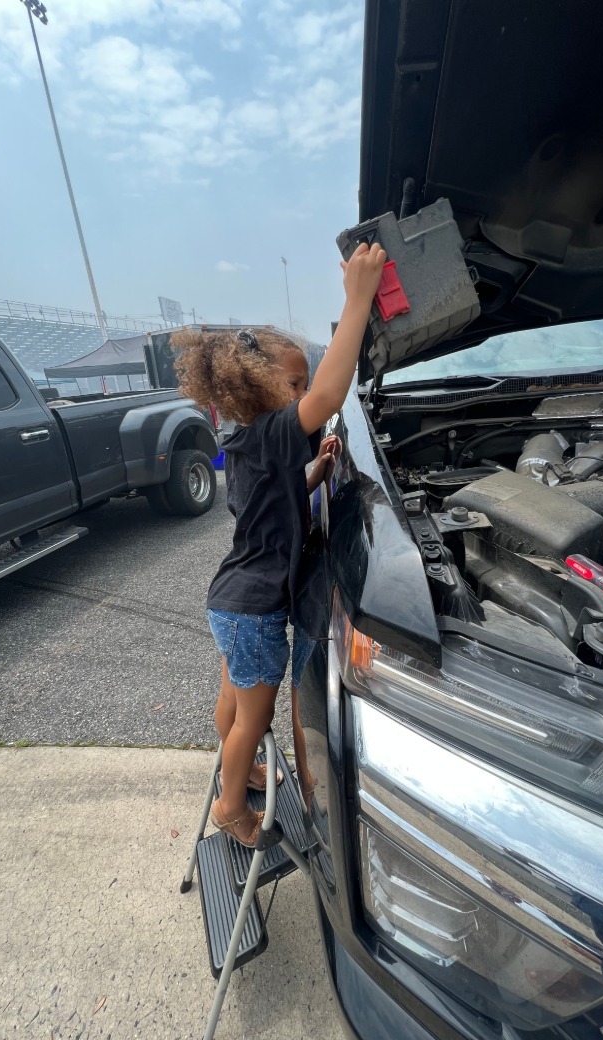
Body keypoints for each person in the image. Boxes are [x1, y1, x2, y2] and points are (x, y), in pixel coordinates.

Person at [173, 241, 387, 846]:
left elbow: (278, 496)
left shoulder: (246, 445)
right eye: (294, 384)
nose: (303, 396)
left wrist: (315, 472)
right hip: (256, 610)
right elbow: (329, 398)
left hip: (230, 600)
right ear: (258, 390)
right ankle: (231, 805)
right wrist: (358, 301)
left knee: (233, 705)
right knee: (256, 716)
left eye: (300, 383)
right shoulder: (273, 432)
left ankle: (238, 765)